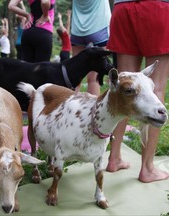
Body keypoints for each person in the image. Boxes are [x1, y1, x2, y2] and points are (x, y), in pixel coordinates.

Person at [106, 0, 169, 183]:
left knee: (125, 86)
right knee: (155, 86)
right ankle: (148, 169)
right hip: (157, 6)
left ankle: (114, 158)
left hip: (122, 7)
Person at [71, 0, 111, 95]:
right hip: (99, 29)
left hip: (77, 31)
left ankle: (69, 107)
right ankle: (92, 109)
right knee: (94, 79)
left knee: (74, 76)